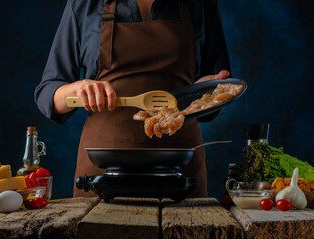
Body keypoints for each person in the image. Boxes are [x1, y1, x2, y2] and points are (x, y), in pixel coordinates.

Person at [35, 0, 231, 197]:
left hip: (180, 173)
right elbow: (47, 93)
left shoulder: (202, 4)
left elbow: (213, 104)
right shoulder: (85, 4)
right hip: (102, 174)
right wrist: (76, 89)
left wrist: (205, 95)